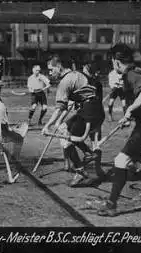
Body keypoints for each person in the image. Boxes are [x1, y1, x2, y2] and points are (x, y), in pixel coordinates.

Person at [89, 43, 141, 217]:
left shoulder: (132, 74)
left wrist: (130, 111)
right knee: (133, 160)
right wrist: (129, 116)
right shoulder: (135, 72)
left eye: (112, 62)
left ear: (116, 62)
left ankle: (111, 206)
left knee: (121, 161)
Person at [41, 55, 106, 187]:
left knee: (65, 139)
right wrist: (58, 122)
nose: (50, 72)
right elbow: (67, 106)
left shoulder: (65, 81)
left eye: (51, 69)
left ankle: (80, 170)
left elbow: (59, 108)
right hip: (94, 110)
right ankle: (87, 156)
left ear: (58, 66)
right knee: (64, 129)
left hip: (89, 112)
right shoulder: (78, 75)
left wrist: (47, 126)